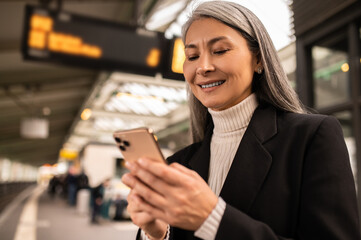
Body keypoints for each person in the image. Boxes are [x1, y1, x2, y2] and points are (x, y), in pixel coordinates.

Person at [121, 1, 361, 239]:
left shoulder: (310, 138)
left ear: (258, 59)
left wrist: (213, 218)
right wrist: (157, 233)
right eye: (192, 55)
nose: (203, 67)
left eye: (220, 51)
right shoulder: (180, 164)